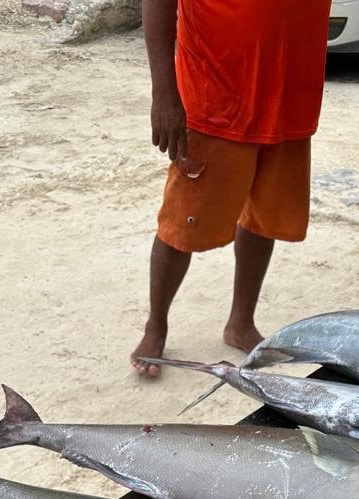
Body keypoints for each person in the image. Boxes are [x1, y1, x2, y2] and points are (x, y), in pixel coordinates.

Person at [131, 0, 332, 377]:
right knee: (182, 224)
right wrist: (164, 93)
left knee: (263, 216)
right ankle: (155, 326)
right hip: (216, 99)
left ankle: (240, 322)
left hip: (290, 94)